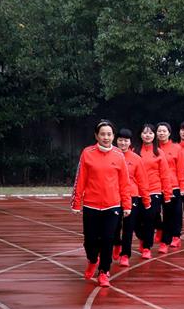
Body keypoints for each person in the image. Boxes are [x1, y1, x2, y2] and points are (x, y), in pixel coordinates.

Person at [71, 120, 132, 287]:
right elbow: (80, 179)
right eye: (102, 134)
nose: (106, 137)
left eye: (109, 134)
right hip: (91, 205)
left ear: (113, 136)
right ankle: (92, 260)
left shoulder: (119, 155)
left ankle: (104, 271)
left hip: (112, 206)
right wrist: (76, 203)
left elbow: (124, 183)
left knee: (108, 239)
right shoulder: (87, 153)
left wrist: (127, 205)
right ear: (96, 136)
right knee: (90, 240)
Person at [112, 128, 151, 267]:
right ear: (116, 140)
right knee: (114, 225)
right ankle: (116, 244)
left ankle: (125, 254)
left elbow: (142, 181)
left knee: (129, 227)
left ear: (130, 142)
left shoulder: (136, 159)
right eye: (120, 140)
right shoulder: (111, 155)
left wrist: (146, 200)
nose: (123, 143)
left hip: (131, 196)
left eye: (126, 140)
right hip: (114, 196)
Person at [139, 123, 173, 258]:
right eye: (145, 132)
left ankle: (147, 247)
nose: (147, 135)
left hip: (154, 190)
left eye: (150, 133)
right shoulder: (135, 151)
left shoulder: (158, 152)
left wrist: (167, 194)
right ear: (140, 134)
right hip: (137, 191)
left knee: (149, 218)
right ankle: (144, 237)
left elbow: (165, 174)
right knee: (137, 220)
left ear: (154, 135)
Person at [156, 122, 184, 253]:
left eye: (164, 131)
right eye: (159, 131)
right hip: (156, 186)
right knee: (154, 213)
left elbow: (180, 169)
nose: (161, 133)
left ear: (169, 133)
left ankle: (172, 238)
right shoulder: (153, 148)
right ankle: (160, 229)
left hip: (173, 186)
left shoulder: (176, 148)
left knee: (173, 214)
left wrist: (182, 187)